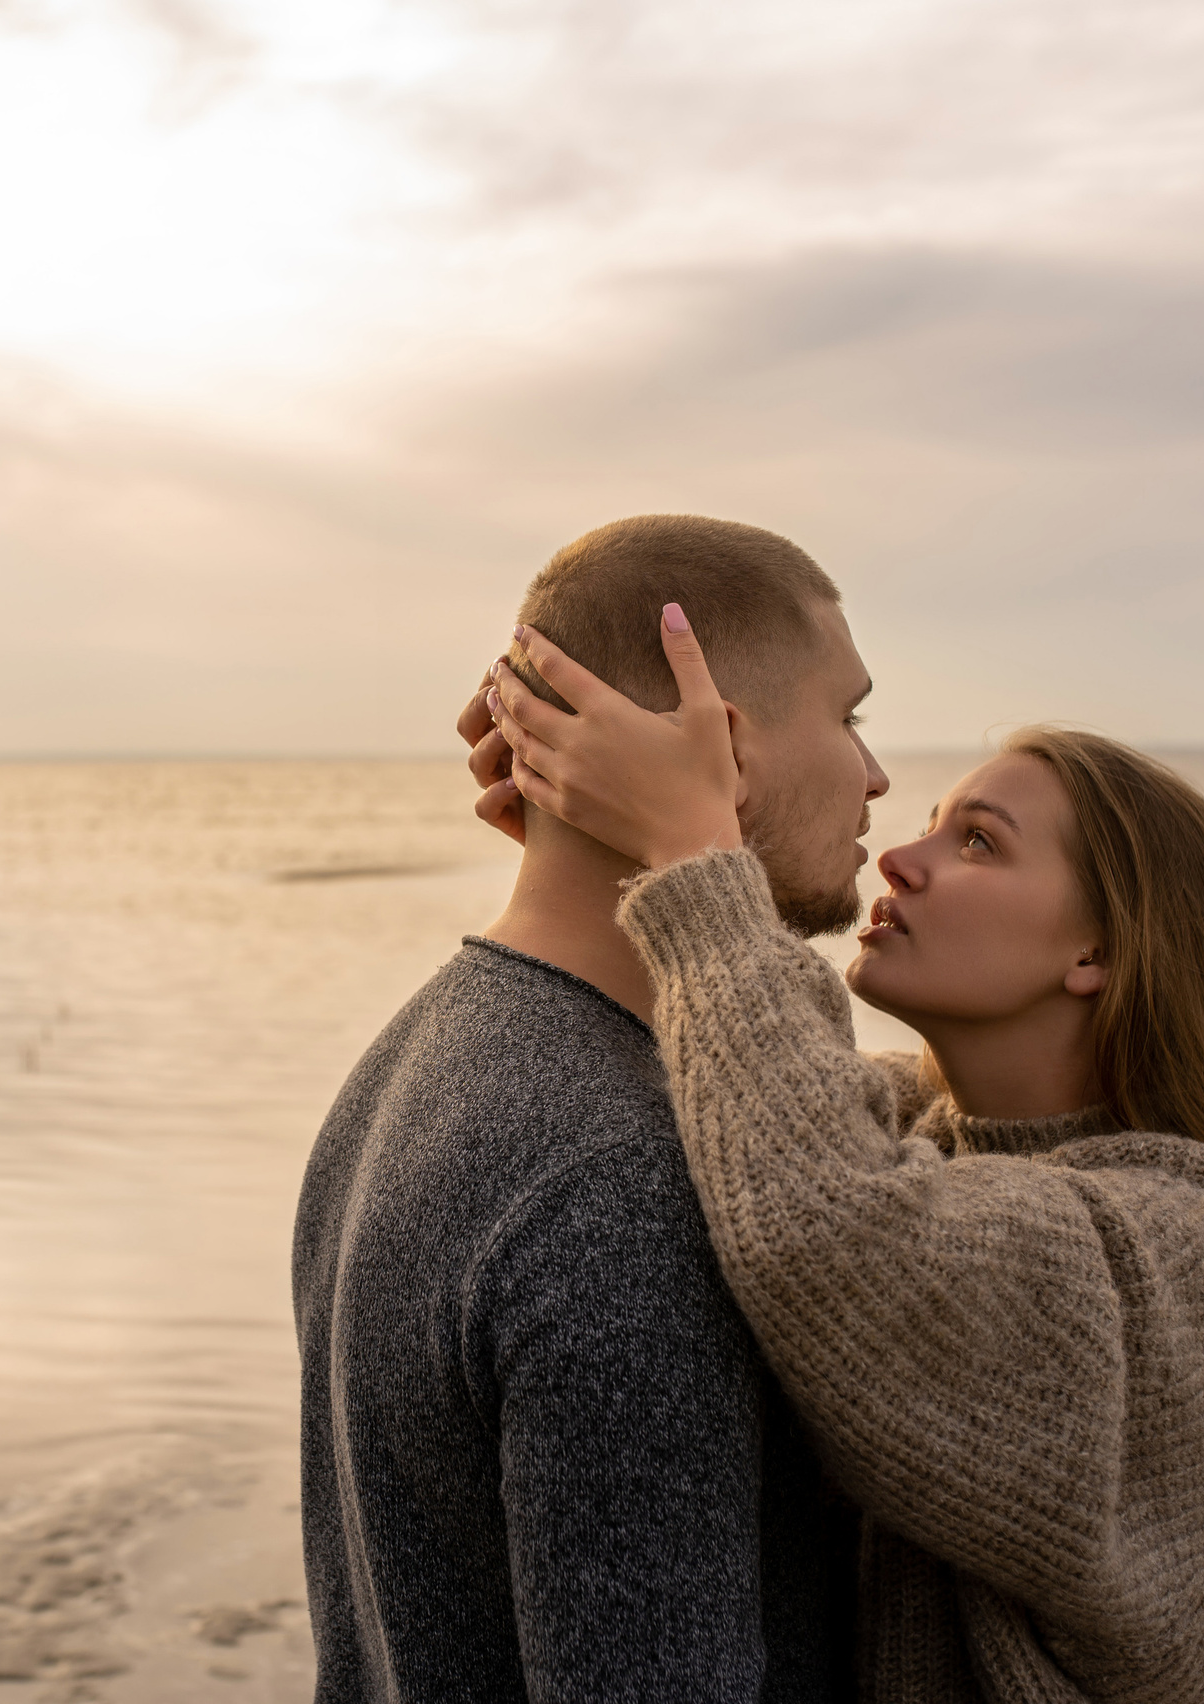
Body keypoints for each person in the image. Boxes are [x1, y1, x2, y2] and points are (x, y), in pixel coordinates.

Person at [467, 610, 1204, 1703]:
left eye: (977, 842)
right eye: (926, 824)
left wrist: (688, 851)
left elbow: (839, 1237)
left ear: (1098, 951)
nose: (900, 861)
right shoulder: (914, 1134)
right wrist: (586, 845)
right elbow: (759, 1095)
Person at [293, 515, 887, 1701]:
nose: (875, 775)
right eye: (851, 716)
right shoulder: (628, 1181)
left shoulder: (403, 1066)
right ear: (723, 746)